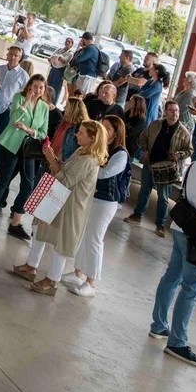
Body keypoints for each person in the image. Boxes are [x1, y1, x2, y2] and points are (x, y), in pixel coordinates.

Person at [149, 130, 196, 368]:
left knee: (172, 277)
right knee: (192, 289)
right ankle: (177, 342)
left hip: (183, 229)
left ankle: (159, 325)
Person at [11, 120, 107, 296]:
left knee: (61, 243)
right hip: (60, 200)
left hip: (71, 207)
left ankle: (52, 281)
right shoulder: (81, 151)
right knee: (40, 228)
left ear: (92, 138)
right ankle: (31, 266)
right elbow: (65, 170)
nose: (77, 135)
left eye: (81, 133)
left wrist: (51, 160)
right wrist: (54, 159)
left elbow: (65, 180)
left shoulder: (88, 160)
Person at [63, 115, 129, 299]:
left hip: (106, 201)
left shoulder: (121, 154)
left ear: (116, 133)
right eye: (102, 125)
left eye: (108, 127)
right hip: (90, 197)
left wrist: (87, 165)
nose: (103, 129)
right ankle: (78, 272)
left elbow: (104, 174)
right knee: (83, 234)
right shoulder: (98, 147)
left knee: (94, 239)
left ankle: (91, 282)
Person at [0, 74, 50, 240]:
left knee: (28, 185)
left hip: (29, 150)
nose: (38, 90)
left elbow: (43, 132)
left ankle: (16, 222)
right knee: (4, 180)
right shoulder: (18, 98)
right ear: (29, 86)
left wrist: (28, 130)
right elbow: (13, 119)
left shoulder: (44, 107)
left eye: (41, 87)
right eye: (35, 86)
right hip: (11, 145)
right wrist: (26, 102)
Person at [126, 101, 191, 235]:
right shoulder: (156, 124)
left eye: (176, 110)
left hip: (167, 168)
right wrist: (144, 149)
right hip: (150, 163)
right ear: (165, 112)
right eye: (171, 110)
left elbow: (189, 150)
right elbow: (143, 137)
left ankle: (160, 224)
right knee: (144, 190)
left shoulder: (183, 132)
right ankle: (137, 214)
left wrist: (179, 155)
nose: (174, 113)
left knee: (163, 197)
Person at [0, 46, 27, 173]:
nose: (13, 57)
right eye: (11, 54)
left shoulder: (23, 75)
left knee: (0, 138)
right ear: (7, 55)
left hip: (8, 110)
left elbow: (25, 95)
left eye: (16, 55)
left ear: (20, 58)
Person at [68, 32, 102, 96]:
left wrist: (82, 48)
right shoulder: (90, 48)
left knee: (82, 95)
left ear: (85, 40)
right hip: (84, 75)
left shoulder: (91, 48)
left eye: (82, 40)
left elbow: (79, 58)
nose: (81, 41)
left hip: (88, 76)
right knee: (78, 94)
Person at [46, 36, 74, 106]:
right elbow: (52, 57)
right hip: (53, 68)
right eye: (67, 41)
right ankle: (46, 100)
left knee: (56, 88)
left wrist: (58, 58)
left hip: (60, 71)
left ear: (72, 44)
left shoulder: (70, 53)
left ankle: (53, 104)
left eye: (69, 42)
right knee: (49, 84)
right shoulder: (60, 49)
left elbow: (64, 61)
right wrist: (57, 58)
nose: (67, 43)